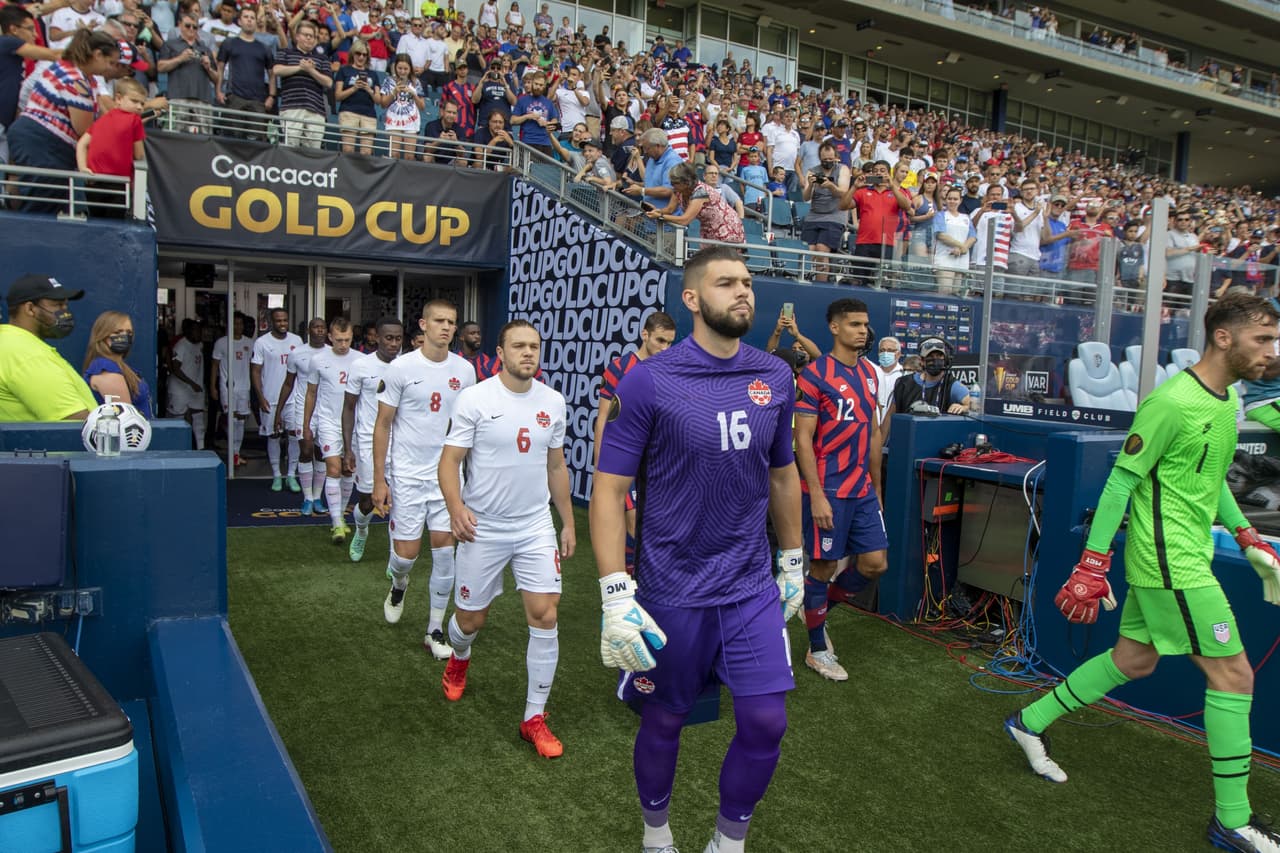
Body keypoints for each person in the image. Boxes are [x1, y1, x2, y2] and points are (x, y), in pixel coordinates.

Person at [1004, 293, 1280, 853]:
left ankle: (1027, 721)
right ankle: (1232, 821)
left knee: (1135, 658)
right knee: (1234, 677)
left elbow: (1209, 482)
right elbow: (1121, 483)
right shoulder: (1171, 403)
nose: (1271, 352)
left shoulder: (1228, 400)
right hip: (1169, 562)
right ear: (1224, 337)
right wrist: (1091, 562)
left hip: (1190, 553)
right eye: (1263, 339)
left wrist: (1246, 534)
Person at [591, 245, 804, 853]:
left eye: (747, 282)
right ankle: (655, 835)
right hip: (671, 589)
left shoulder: (775, 375)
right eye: (726, 283)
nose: (743, 292)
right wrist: (613, 592)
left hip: (749, 585)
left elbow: (782, 474)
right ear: (691, 299)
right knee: (667, 718)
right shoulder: (650, 379)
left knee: (767, 722)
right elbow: (609, 492)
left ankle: (727, 841)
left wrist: (791, 560)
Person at [436, 320, 575, 759]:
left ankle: (533, 716)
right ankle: (460, 655)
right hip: (484, 527)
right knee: (471, 622)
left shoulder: (553, 402)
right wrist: (457, 508)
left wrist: (567, 523)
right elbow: (450, 460)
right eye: (519, 346)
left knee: (545, 614)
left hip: (534, 525)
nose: (528, 353)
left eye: (534, 346)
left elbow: (556, 468)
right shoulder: (475, 398)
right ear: (501, 352)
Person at [371, 301, 475, 657]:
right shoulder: (401, 369)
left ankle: (434, 630)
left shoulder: (465, 371)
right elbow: (383, 424)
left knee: (446, 555)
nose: (446, 328)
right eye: (440, 321)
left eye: (452, 322)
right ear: (423, 325)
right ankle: (399, 583)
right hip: (407, 476)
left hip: (447, 479)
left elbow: (468, 429)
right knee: (406, 557)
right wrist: (379, 480)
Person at [793, 298, 885, 682]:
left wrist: (877, 488)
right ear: (834, 328)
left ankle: (815, 610)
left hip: (861, 489)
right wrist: (815, 494)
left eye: (865, 325)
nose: (862, 331)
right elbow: (803, 438)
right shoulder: (814, 375)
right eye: (854, 325)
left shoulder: (871, 374)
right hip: (828, 488)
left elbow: (874, 434)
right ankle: (817, 650)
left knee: (875, 563)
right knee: (824, 567)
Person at [9, 31, 120, 213]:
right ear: (98, 54)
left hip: (36, 140)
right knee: (41, 205)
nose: (112, 69)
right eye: (111, 63)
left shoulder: (72, 71)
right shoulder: (76, 82)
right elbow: (84, 129)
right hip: (43, 143)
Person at [341, 315, 402, 563]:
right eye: (388, 338)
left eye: (398, 339)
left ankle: (394, 557)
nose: (394, 343)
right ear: (376, 337)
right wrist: (348, 449)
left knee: (399, 504)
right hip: (367, 443)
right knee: (367, 502)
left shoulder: (407, 366)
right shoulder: (360, 365)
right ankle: (362, 530)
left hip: (399, 445)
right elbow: (348, 407)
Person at [0, 274, 96, 422]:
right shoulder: (25, 354)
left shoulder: (12, 342)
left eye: (66, 305)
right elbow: (75, 422)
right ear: (30, 308)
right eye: (57, 305)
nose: (65, 312)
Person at [303, 316, 362, 543]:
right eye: (338, 340)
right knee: (334, 468)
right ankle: (337, 523)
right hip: (328, 422)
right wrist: (306, 424)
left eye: (347, 340)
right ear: (330, 337)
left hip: (354, 425)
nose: (343, 344)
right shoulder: (318, 360)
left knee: (349, 471)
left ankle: (341, 514)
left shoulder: (361, 361)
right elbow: (311, 393)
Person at [274, 317, 330, 515]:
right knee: (305, 451)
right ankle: (307, 498)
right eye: (316, 327)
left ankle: (317, 497)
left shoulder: (332, 353)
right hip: (302, 409)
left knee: (321, 453)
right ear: (309, 330)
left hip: (325, 410)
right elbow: (288, 383)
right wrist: (278, 411)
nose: (320, 330)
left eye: (323, 327)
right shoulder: (297, 353)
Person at [880, 336, 970, 445]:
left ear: (945, 359)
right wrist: (880, 447)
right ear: (922, 361)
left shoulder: (951, 384)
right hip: (906, 442)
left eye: (939, 356)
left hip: (936, 444)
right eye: (930, 357)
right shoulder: (904, 383)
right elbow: (890, 416)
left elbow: (971, 403)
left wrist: (964, 407)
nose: (935, 360)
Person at [251, 308, 302, 493]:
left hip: (293, 398)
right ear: (271, 322)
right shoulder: (262, 343)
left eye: (285, 320)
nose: (282, 324)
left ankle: (290, 475)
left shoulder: (296, 341)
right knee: (273, 436)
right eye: (278, 321)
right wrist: (260, 396)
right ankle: (276, 475)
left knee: (294, 435)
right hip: (270, 398)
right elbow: (255, 371)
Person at [215, 6, 276, 140]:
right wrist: (218, 90)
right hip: (235, 98)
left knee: (257, 140)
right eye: (246, 17)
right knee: (232, 138)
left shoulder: (264, 48)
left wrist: (271, 96)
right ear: (239, 21)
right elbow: (220, 67)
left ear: (256, 22)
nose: (249, 20)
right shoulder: (229, 43)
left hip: (258, 101)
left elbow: (272, 74)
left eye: (252, 18)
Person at [646, 161, 744, 244]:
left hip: (727, 227)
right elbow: (669, 209)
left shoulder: (700, 192)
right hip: (708, 228)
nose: (672, 186)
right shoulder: (678, 190)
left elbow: (684, 220)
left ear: (686, 183)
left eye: (674, 183)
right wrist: (656, 211)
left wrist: (659, 216)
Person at [273, 20, 332, 149]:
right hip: (291, 107)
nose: (310, 39)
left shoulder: (323, 58)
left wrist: (311, 70)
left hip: (316, 110)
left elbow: (328, 82)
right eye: (306, 35)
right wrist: (300, 67)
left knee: (313, 150)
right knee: (291, 146)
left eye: (312, 36)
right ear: (297, 36)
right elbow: (277, 70)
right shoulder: (286, 53)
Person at [82, 310, 153, 417]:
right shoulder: (105, 368)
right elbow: (126, 416)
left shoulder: (121, 366)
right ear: (103, 335)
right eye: (117, 332)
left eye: (129, 333)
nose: (124, 336)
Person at [210, 313, 254, 467]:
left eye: (240, 323)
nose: (238, 326)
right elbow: (214, 366)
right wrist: (213, 387)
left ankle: (236, 453)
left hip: (244, 387)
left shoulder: (249, 343)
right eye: (235, 323)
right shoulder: (221, 343)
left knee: (241, 420)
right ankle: (232, 453)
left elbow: (253, 367)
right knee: (231, 419)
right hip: (227, 387)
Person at [167, 319, 206, 449]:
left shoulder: (200, 345)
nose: (198, 333)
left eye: (200, 330)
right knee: (178, 420)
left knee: (198, 418)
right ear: (188, 332)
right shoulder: (181, 346)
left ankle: (201, 448)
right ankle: (178, 449)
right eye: (195, 330)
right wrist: (191, 383)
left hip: (196, 389)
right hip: (180, 389)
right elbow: (175, 368)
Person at [378, 53, 424, 160]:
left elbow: (422, 106)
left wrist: (413, 94)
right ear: (395, 67)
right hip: (394, 121)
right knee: (394, 155)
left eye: (405, 69)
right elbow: (383, 104)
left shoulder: (416, 82)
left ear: (410, 69)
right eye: (400, 68)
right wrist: (394, 92)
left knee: (409, 156)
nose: (402, 71)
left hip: (411, 122)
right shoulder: (388, 81)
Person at [874, 335, 904, 421]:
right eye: (882, 350)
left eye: (890, 350)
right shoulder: (871, 373)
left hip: (895, 424)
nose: (885, 353)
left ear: (898, 354)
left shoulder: (904, 375)